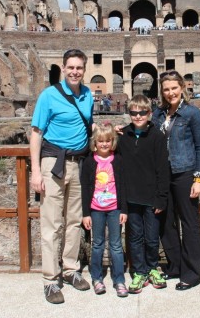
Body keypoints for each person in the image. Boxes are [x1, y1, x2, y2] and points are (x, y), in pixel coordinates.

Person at [30, 49, 94, 304]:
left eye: (79, 68)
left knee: (74, 221)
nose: (75, 72)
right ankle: (49, 280)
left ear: (83, 69)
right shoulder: (48, 96)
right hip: (52, 163)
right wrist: (36, 171)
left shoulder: (88, 94)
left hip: (78, 164)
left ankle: (70, 270)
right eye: (71, 67)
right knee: (52, 224)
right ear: (64, 68)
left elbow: (87, 127)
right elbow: (36, 133)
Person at [152, 70, 200, 291]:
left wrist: (199, 179)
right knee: (165, 224)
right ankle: (175, 266)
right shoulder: (158, 114)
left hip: (185, 173)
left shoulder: (192, 114)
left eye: (174, 88)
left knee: (189, 223)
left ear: (182, 88)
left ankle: (192, 273)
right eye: (166, 89)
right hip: (163, 175)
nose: (170, 93)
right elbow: (146, 133)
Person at [117, 95, 169, 294]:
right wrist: (110, 130)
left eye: (142, 112)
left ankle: (152, 268)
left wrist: (161, 197)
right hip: (131, 197)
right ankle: (139, 271)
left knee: (152, 236)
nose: (138, 116)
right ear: (129, 113)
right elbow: (102, 145)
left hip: (151, 196)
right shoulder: (123, 136)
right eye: (133, 112)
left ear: (149, 113)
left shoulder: (157, 136)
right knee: (135, 236)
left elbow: (163, 169)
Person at [80, 123, 128, 298]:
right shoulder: (89, 161)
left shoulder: (118, 160)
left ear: (113, 142)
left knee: (116, 245)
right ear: (95, 143)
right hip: (96, 209)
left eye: (108, 140)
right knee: (97, 244)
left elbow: (123, 185)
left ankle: (119, 280)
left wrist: (124, 209)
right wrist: (85, 213)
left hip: (115, 208)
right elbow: (85, 188)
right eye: (100, 141)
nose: (104, 144)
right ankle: (96, 278)